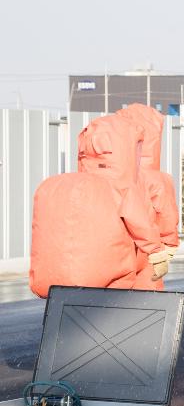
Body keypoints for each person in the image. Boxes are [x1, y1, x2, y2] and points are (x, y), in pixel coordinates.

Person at [29, 114, 170, 297]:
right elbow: (141, 225)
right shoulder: (120, 187)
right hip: (108, 277)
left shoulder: (53, 185)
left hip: (54, 277)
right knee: (113, 307)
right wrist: (158, 254)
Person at [117, 103, 181, 290]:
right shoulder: (157, 179)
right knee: (146, 304)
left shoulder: (108, 177)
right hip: (147, 251)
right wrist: (167, 249)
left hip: (114, 249)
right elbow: (166, 216)